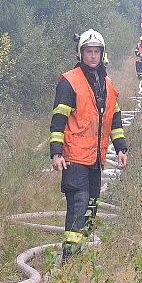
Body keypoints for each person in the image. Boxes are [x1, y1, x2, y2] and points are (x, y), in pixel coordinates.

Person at [49, 29, 128, 261]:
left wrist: (121, 148)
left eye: (96, 52)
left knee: (91, 210)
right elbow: (58, 121)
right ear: (80, 53)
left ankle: (78, 259)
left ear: (102, 54)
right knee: (78, 205)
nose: (92, 56)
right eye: (88, 52)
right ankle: (69, 261)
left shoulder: (108, 85)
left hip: (95, 159)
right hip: (74, 158)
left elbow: (115, 120)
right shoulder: (69, 82)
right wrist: (56, 152)